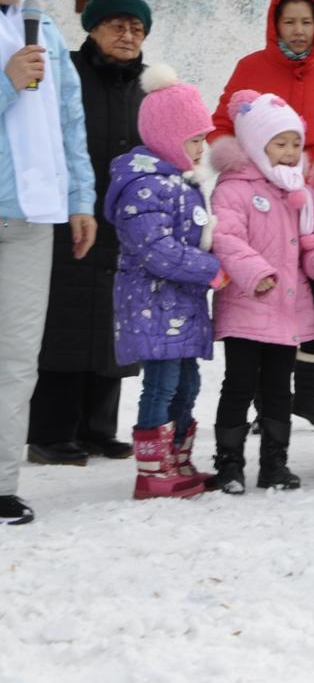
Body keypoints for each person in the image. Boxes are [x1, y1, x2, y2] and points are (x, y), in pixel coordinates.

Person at [210, 0, 314, 430]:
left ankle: (307, 394)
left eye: (306, 22)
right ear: (275, 24)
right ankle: (264, 398)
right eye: (290, 21)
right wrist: (244, 170)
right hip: (260, 201)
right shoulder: (250, 67)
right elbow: (222, 125)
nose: (298, 31)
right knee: (268, 296)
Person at [0, 0, 97, 526]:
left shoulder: (46, 32)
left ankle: (2, 480)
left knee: (15, 354)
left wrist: (80, 199)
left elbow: (69, 122)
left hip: (31, 216)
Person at [29, 0, 151, 465]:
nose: (127, 36)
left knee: (113, 324)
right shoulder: (70, 75)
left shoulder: (148, 87)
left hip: (126, 222)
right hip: (70, 213)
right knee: (66, 319)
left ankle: (98, 429)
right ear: (93, 30)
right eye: (116, 26)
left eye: (136, 29)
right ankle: (52, 432)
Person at [205, 90, 314, 494]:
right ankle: (229, 463)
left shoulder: (300, 192)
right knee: (239, 384)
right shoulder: (233, 188)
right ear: (255, 144)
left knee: (281, 388)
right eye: (279, 143)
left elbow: (312, 237)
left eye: (295, 143)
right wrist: (256, 272)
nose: (289, 152)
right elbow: (226, 238)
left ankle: (275, 463)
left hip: (288, 310)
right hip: (247, 308)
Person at [104, 64, 223, 499]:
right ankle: (152, 469)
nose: (201, 147)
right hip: (153, 307)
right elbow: (155, 249)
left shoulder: (183, 182)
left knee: (187, 383)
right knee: (162, 384)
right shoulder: (145, 185)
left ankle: (176, 455)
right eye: (193, 139)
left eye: (202, 139)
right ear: (168, 137)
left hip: (182, 307)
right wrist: (212, 269)